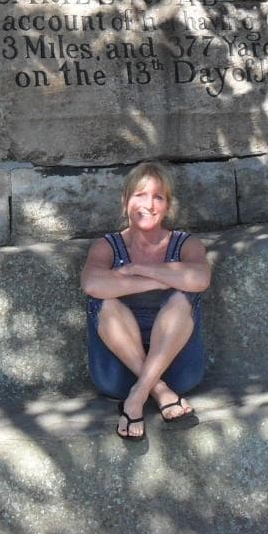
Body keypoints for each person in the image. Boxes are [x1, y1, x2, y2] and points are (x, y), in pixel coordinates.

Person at [80, 162, 211, 440]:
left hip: (180, 371)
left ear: (167, 205)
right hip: (116, 374)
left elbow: (199, 279)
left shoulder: (185, 244)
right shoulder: (107, 246)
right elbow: (92, 284)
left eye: (158, 197)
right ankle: (159, 391)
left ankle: (137, 396)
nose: (149, 204)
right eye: (140, 195)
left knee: (182, 298)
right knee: (104, 300)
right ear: (125, 201)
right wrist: (167, 278)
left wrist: (140, 270)